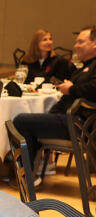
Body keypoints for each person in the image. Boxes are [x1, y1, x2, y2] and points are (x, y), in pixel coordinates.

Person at [13, 26, 96, 178]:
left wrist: (72, 89)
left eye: (80, 42)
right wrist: (51, 115)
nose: (75, 46)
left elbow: (91, 89)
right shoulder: (84, 67)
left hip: (79, 125)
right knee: (30, 120)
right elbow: (65, 100)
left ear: (94, 43)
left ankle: (29, 175)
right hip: (70, 120)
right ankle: (33, 172)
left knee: (20, 120)